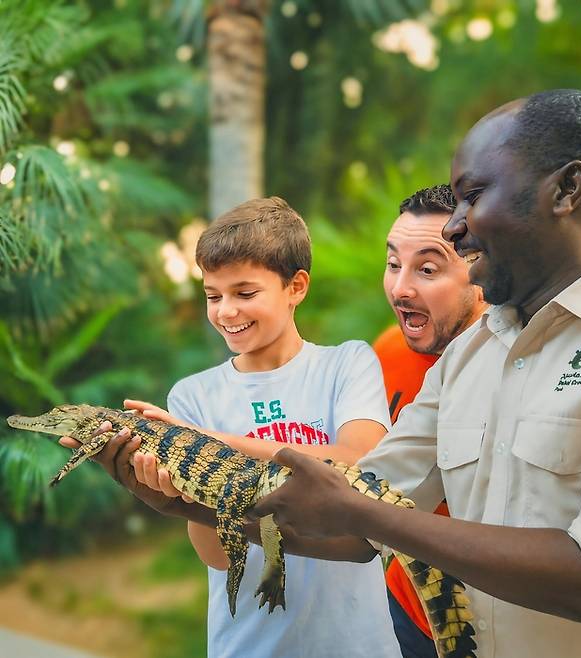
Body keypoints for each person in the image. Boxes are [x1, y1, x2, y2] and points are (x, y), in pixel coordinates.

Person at [248, 90, 581, 658]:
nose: (456, 228)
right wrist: (179, 493)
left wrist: (361, 511)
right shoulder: (473, 350)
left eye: (473, 196)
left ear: (567, 190)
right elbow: (359, 517)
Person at [63, 197, 402, 658]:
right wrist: (176, 497)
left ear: (296, 286)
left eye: (244, 294)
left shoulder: (347, 362)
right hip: (248, 645)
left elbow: (358, 463)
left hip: (358, 644)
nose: (225, 311)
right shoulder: (193, 396)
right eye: (212, 295)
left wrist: (207, 443)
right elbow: (217, 556)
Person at [373, 184, 486, 657]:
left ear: (483, 270)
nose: (401, 287)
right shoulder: (386, 353)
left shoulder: (516, 362)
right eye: (394, 264)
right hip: (406, 607)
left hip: (502, 622)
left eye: (427, 268)